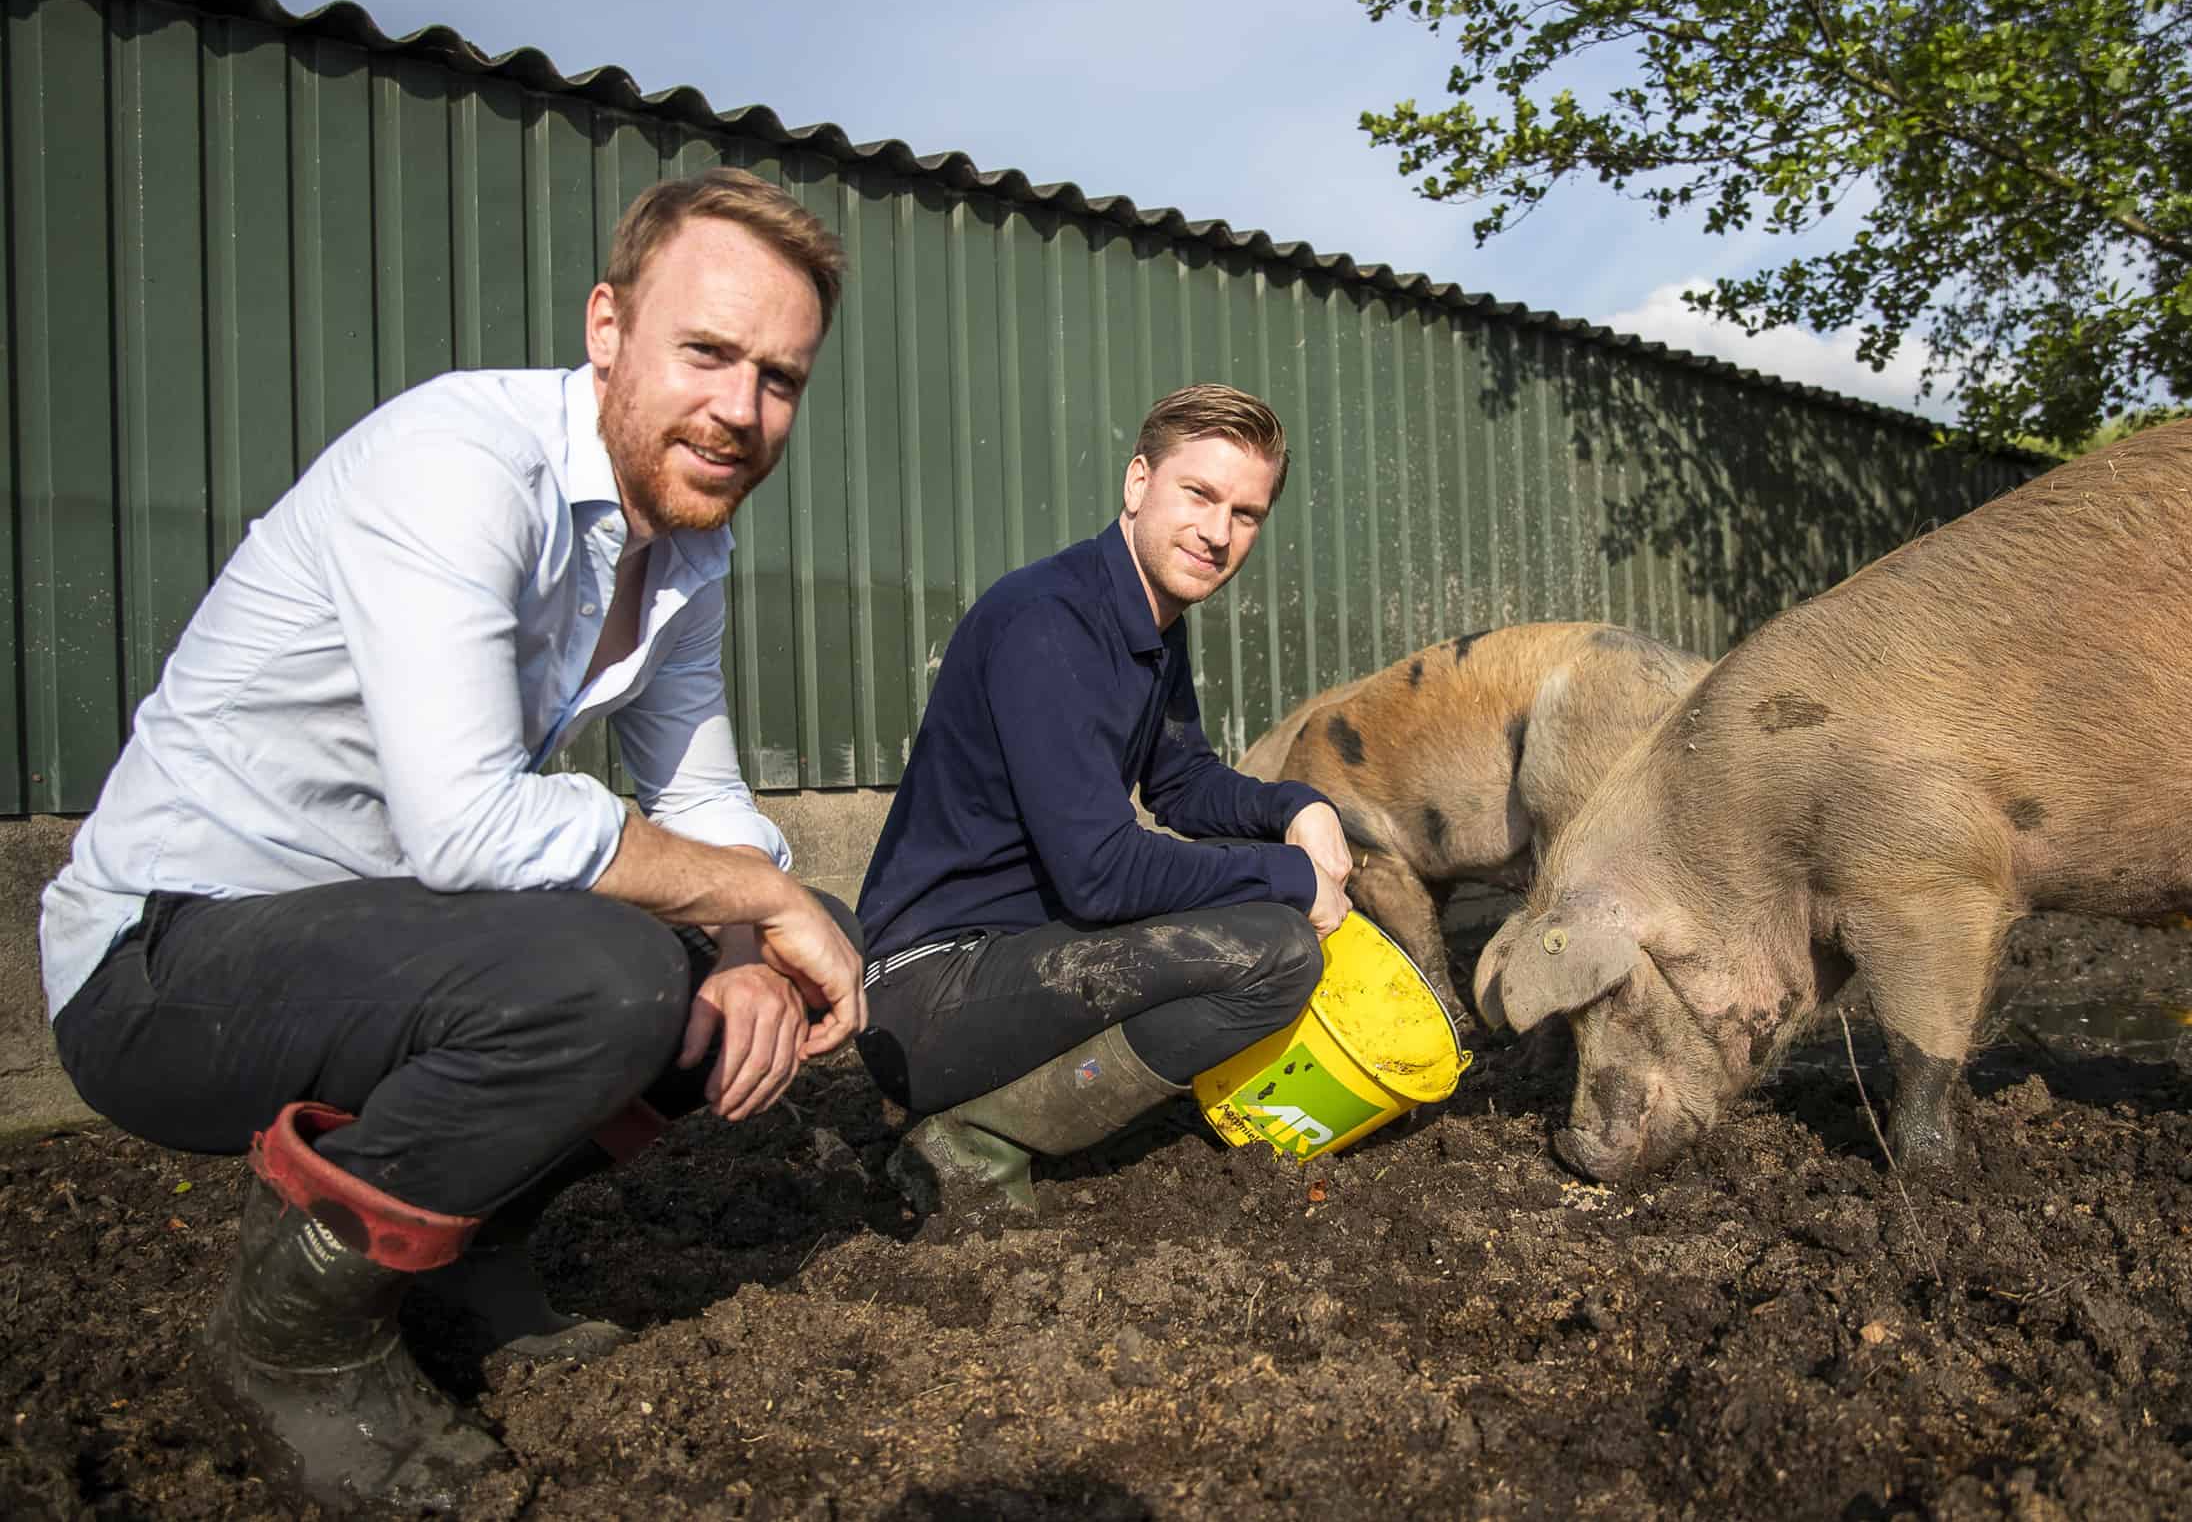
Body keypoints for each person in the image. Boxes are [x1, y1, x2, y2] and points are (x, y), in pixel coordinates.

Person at [38, 169, 868, 1514]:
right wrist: (747, 894)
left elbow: (708, 805)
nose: (739, 408)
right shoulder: (462, 462)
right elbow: (471, 818)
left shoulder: (686, 556)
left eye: (780, 377)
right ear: (608, 326)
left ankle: (464, 1249)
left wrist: (759, 944)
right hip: (163, 957)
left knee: (764, 937)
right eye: (706, 351)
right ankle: (292, 1331)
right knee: (608, 976)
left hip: (371, 939)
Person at [855, 383, 1353, 1220]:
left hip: (1018, 956)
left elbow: (1183, 782)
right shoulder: (1047, 622)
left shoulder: (1151, 620)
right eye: (1198, 493)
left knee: (1263, 928)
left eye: (1247, 512)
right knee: (1276, 950)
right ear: (1136, 482)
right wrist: (1291, 878)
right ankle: (975, 1139)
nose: (1219, 532)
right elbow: (1101, 873)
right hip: (925, 991)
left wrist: (1298, 807)